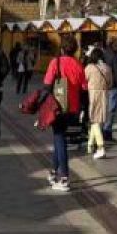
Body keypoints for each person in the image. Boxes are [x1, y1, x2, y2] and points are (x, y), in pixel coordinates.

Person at [44, 37, 87, 192]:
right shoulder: (78, 65)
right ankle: (54, 172)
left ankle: (64, 177)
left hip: (58, 107)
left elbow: (47, 85)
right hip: (72, 108)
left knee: (59, 138)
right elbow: (84, 89)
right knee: (59, 137)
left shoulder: (55, 63)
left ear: (62, 48)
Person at [84, 46, 113, 159]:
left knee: (94, 120)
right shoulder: (107, 68)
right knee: (98, 120)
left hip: (93, 95)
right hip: (104, 95)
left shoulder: (89, 67)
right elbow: (110, 84)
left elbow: (84, 80)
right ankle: (90, 145)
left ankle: (101, 147)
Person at [101, 39, 117, 142]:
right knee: (112, 109)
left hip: (105, 84)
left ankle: (104, 130)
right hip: (114, 85)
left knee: (106, 108)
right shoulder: (116, 56)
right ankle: (107, 132)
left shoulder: (104, 54)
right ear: (113, 45)